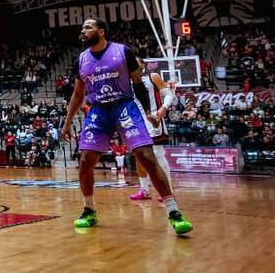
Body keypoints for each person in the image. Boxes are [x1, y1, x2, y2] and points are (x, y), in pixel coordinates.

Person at [61, 19, 192, 235]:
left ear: (101, 31)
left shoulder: (122, 52)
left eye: (88, 27)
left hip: (124, 106)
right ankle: (89, 210)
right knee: (85, 161)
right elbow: (77, 94)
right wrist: (67, 123)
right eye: (82, 28)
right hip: (98, 110)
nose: (83, 31)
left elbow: (138, 83)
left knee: (146, 156)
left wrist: (148, 112)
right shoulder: (81, 59)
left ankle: (174, 212)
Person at [131, 70, 178, 201]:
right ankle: (144, 190)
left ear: (141, 65)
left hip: (153, 116)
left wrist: (164, 107)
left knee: (157, 153)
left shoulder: (152, 76)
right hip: (136, 119)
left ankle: (168, 190)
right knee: (139, 155)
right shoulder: (125, 79)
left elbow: (168, 94)